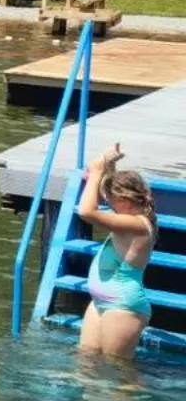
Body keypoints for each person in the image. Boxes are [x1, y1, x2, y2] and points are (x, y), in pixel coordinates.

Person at [77, 144, 157, 362]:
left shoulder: (138, 225)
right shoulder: (125, 217)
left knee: (119, 369)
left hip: (123, 306)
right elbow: (103, 188)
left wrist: (94, 173)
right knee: (87, 362)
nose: (107, 201)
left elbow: (86, 211)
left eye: (111, 199)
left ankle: (136, 396)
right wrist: (107, 160)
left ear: (124, 200)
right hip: (100, 302)